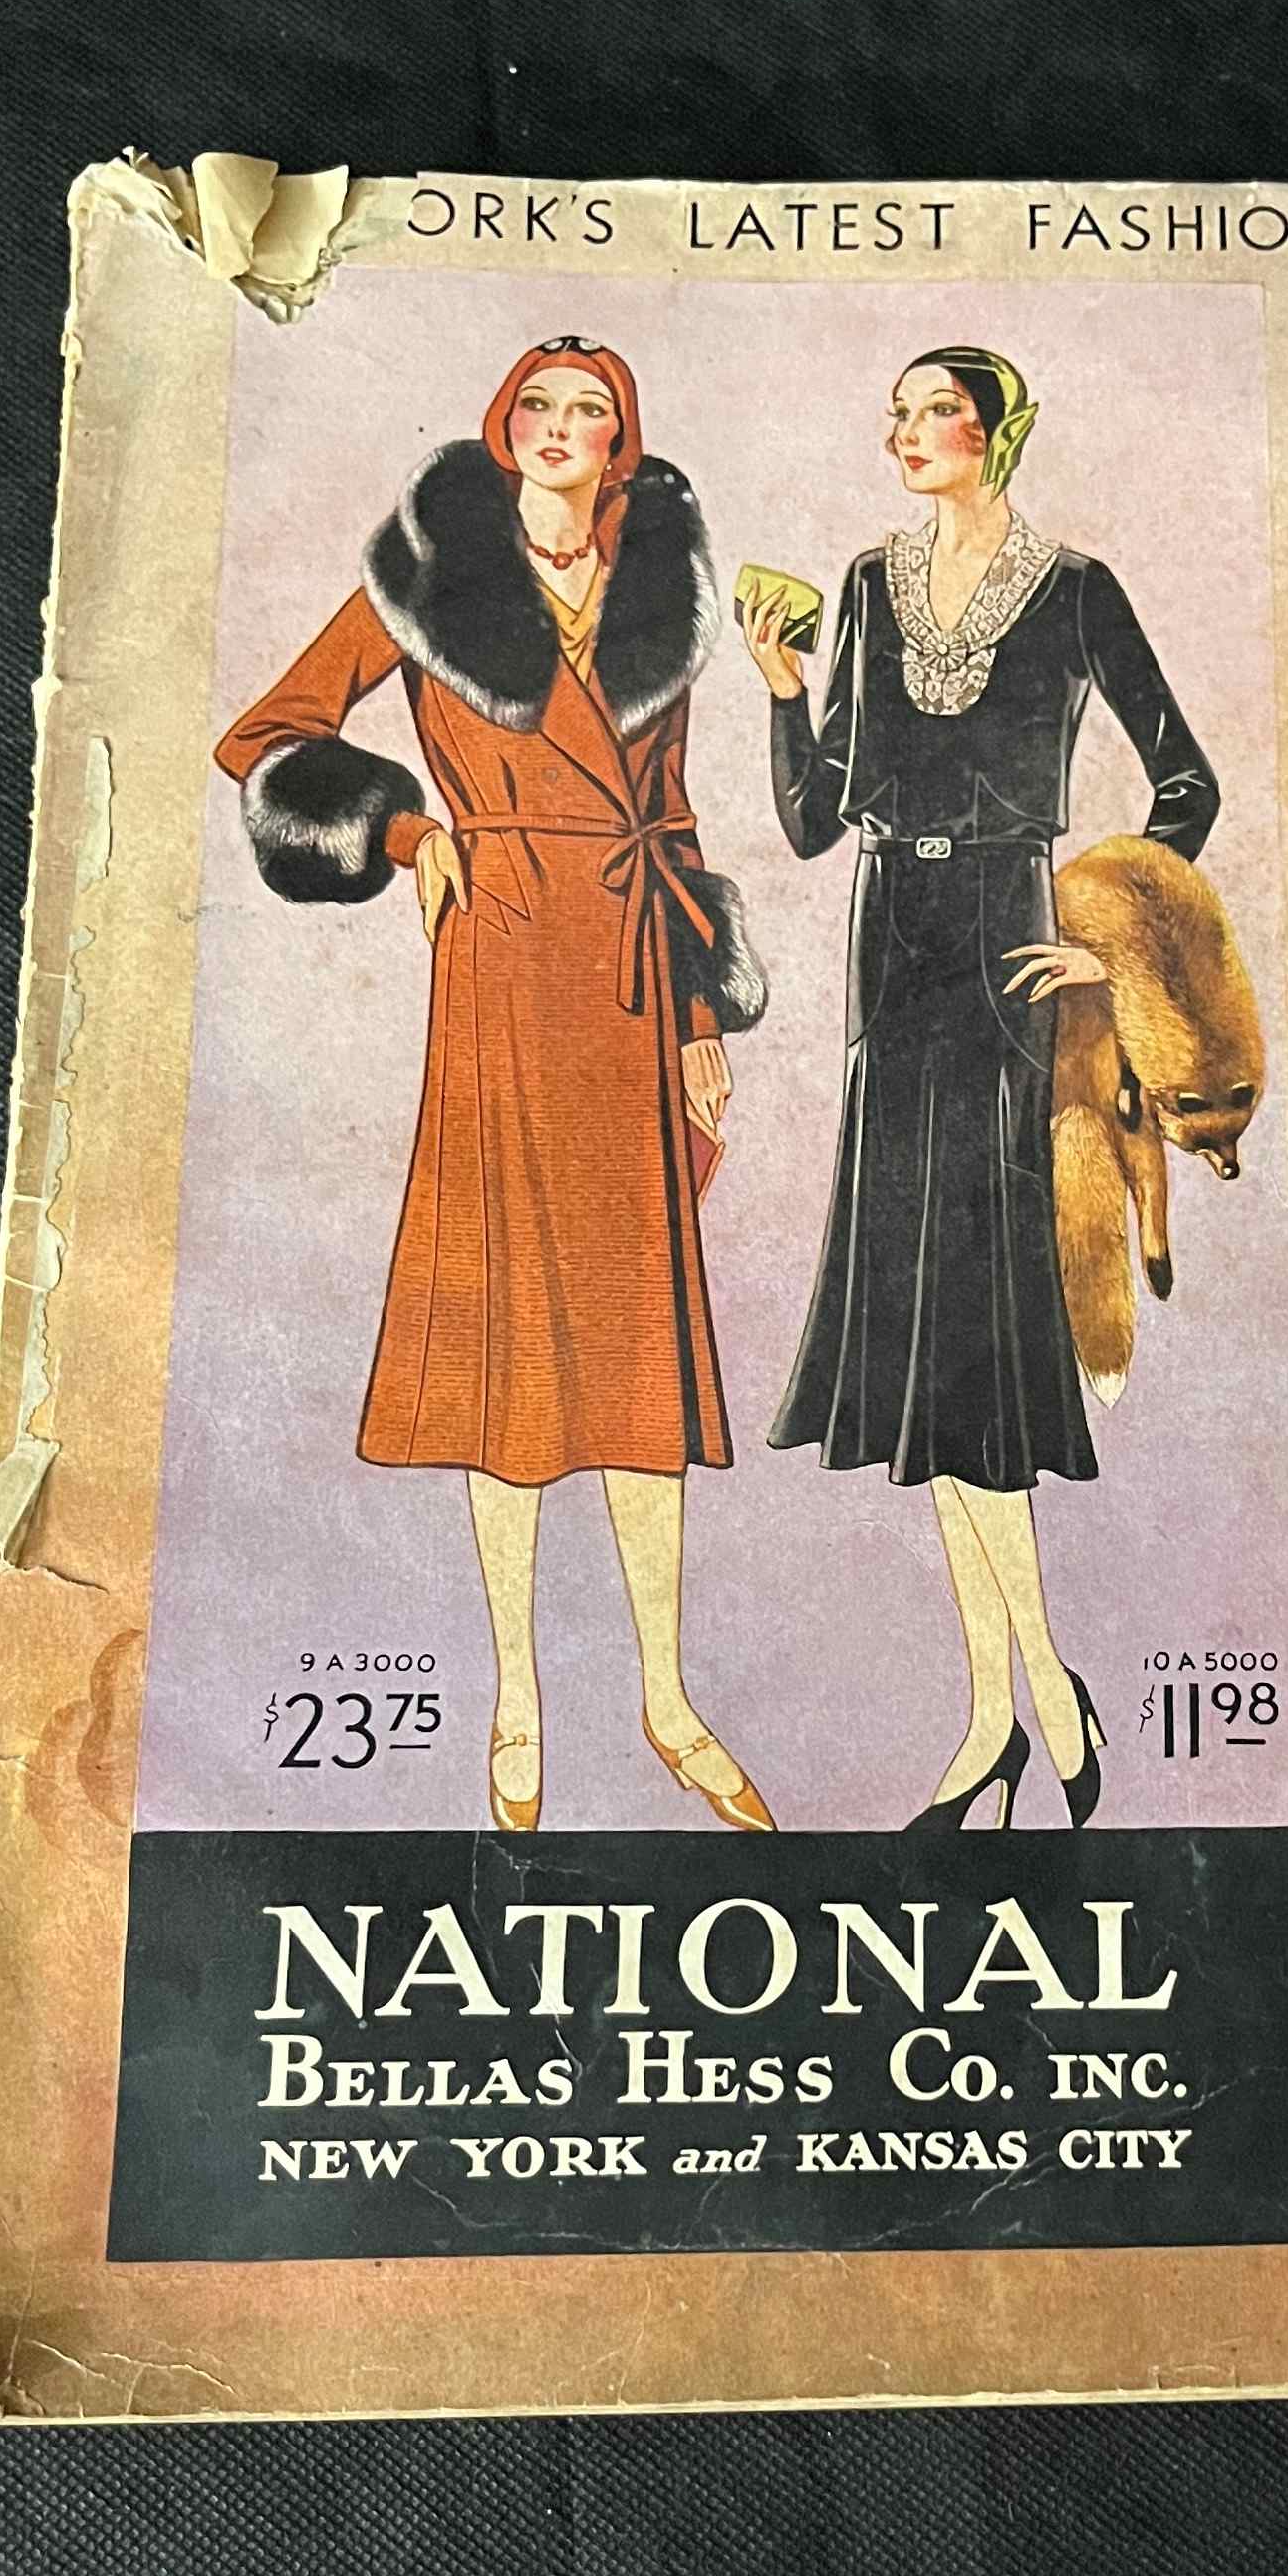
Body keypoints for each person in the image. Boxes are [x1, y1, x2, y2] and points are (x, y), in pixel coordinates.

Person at [216, 336, 774, 1836]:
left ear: (620, 443)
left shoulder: (660, 590)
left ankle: (667, 1700)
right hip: (505, 968)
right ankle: (520, 1697)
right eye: (539, 407)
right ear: (502, 426)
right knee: (514, 1345)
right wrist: (409, 837)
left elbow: (671, 814)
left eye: (591, 413)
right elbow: (264, 738)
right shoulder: (427, 577)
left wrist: (703, 1016)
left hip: (633, 979)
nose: (561, 429)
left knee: (639, 1351)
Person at [744, 344, 1219, 1829]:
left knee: (981, 1346)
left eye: (933, 411)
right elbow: (816, 822)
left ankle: (1014, 1718)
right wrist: (784, 693)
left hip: (1012, 955)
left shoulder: (1077, 591)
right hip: (891, 952)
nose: (905, 433)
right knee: (928, 1349)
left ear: (998, 432)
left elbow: (1187, 786)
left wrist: (1110, 950)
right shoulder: (865, 585)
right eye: (893, 414)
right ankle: (1011, 1709)